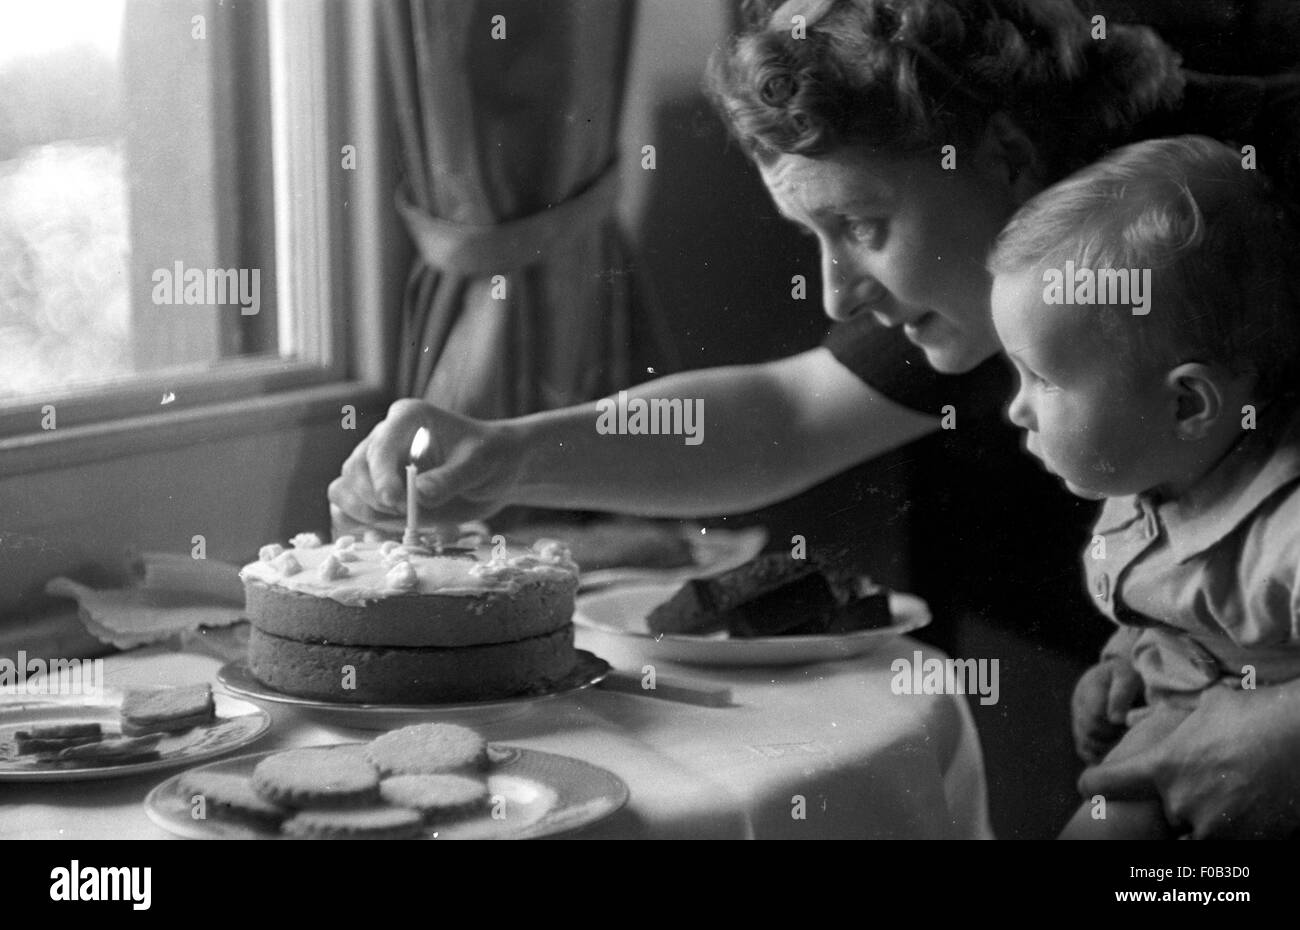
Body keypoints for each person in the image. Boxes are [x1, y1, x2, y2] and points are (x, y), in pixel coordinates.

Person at [330, 0, 1300, 837]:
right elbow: (789, 414)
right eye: (814, 238)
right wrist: (504, 455)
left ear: (1003, 154)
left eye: (862, 227)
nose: (838, 295)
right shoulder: (1014, 229)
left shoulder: (1262, 188)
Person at [987, 135, 1300, 838]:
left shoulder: (1287, 532)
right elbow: (1170, 610)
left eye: (1043, 378)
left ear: (1187, 405)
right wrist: (1125, 660)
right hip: (1176, 742)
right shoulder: (1152, 473)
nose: (1016, 407)